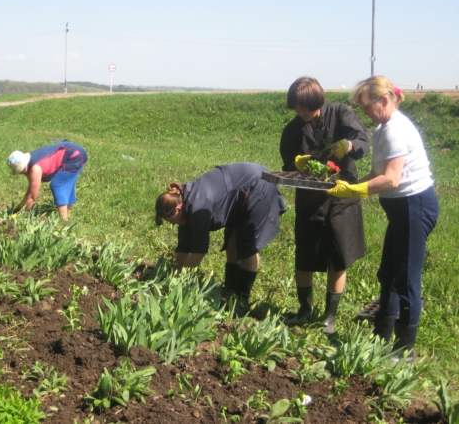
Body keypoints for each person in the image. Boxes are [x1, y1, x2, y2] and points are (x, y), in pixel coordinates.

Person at [328, 76, 439, 361]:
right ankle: (381, 337)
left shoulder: (394, 130)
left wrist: (357, 191)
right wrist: (350, 188)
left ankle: (405, 351)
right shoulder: (382, 128)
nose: (365, 112)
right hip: (402, 210)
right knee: (388, 274)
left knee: (406, 278)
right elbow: (378, 175)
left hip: (414, 206)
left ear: (384, 100)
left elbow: (390, 180)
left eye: (367, 106)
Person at [280, 76, 370, 334]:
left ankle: (329, 316)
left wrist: (349, 145)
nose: (301, 112)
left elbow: (363, 140)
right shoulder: (293, 130)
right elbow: (287, 164)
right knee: (305, 253)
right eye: (296, 106)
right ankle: (304, 309)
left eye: (305, 106)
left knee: (337, 255)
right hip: (310, 200)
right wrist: (296, 163)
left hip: (343, 196)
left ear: (317, 100)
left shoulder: (340, 114)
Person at [154, 162, 287, 311]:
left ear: (177, 209)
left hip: (258, 185)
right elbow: (183, 247)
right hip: (240, 190)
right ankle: (230, 289)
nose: (172, 224)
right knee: (232, 241)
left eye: (171, 220)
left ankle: (242, 297)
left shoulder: (198, 206)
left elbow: (199, 250)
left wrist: (180, 282)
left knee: (246, 244)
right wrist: (173, 278)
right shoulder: (183, 201)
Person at [7, 139, 87, 220]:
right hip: (78, 153)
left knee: (57, 185)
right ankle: (68, 216)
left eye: (20, 171)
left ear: (24, 167)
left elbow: (32, 197)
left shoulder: (35, 168)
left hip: (74, 156)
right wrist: (19, 207)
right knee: (66, 185)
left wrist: (19, 215)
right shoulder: (30, 161)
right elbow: (30, 192)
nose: (21, 173)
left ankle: (64, 221)